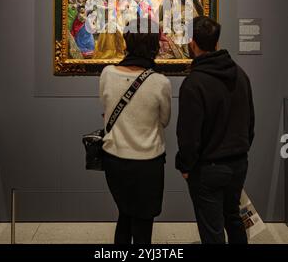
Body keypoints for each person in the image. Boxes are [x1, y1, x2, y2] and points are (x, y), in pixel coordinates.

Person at [176, 16, 255, 244]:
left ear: (192, 43)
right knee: (234, 219)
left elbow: (188, 136)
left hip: (207, 169)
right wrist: (241, 152)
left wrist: (186, 165)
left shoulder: (194, 83)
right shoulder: (240, 74)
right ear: (216, 42)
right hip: (238, 164)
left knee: (212, 231)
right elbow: (250, 124)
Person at [100, 17, 172, 244]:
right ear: (153, 44)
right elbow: (165, 120)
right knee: (143, 224)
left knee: (124, 215)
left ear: (127, 41)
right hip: (147, 162)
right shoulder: (160, 82)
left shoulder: (107, 74)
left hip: (114, 159)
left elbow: (105, 109)